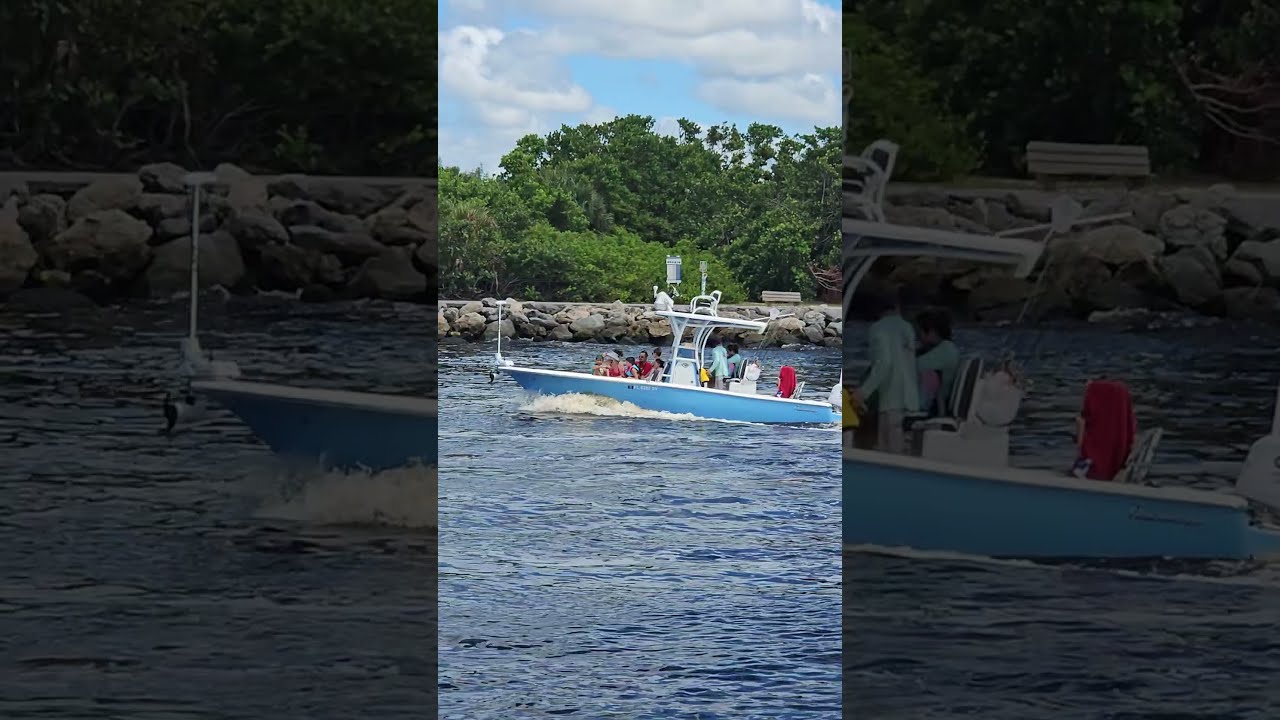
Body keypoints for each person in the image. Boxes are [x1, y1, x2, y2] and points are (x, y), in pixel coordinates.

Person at [851, 290, 919, 454]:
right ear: (897, 306)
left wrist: (863, 392)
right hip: (910, 400)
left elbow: (884, 364)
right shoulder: (907, 327)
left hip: (890, 401)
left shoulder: (878, 329)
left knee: (887, 452)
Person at [1073, 379, 1136, 481]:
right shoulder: (1123, 432)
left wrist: (1080, 433)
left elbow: (1081, 455)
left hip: (1091, 473)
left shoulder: (1091, 454)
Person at [915, 309, 960, 417]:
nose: (917, 337)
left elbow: (912, 368)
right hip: (933, 402)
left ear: (931, 332)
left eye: (919, 332)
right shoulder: (946, 348)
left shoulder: (945, 351)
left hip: (930, 408)